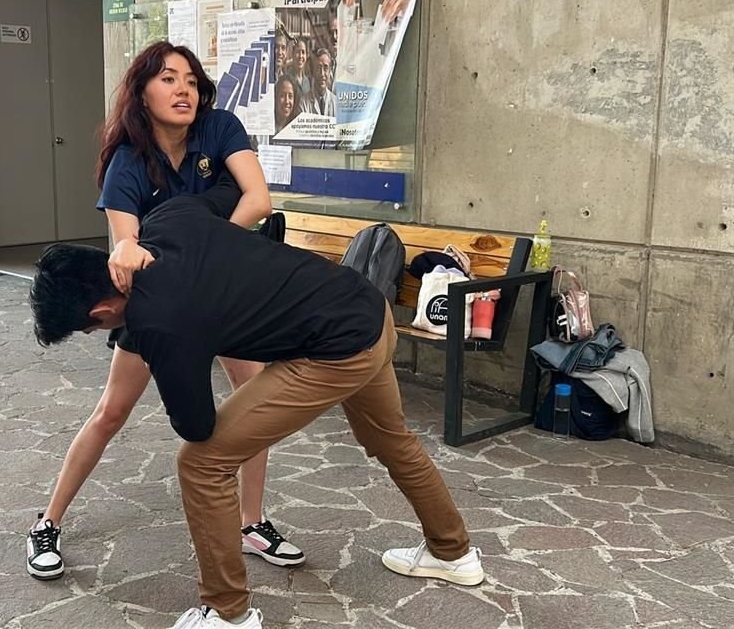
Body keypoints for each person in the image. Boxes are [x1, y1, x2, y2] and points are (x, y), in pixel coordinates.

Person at [30, 173, 485, 629]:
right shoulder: (168, 216)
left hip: (337, 350)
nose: (105, 334)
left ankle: (228, 614)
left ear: (101, 312)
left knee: (201, 463)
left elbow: (196, 426)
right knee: (392, 439)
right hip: (367, 309)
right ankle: (453, 553)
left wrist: (180, 348)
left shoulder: (156, 323)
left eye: (94, 330)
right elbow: (234, 192)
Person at [25, 41, 306, 582]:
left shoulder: (219, 128)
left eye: (191, 80)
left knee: (253, 409)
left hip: (222, 295)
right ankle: (48, 522)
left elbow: (259, 200)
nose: (183, 90)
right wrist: (134, 246)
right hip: (154, 307)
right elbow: (126, 247)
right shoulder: (128, 161)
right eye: (168, 79)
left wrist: (201, 251)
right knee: (111, 412)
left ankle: (252, 522)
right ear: (142, 92)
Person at [297, 49, 337, 117]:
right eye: (318, 68)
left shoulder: (336, 103)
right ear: (313, 72)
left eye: (326, 68)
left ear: (330, 71)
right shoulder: (303, 103)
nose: (322, 74)